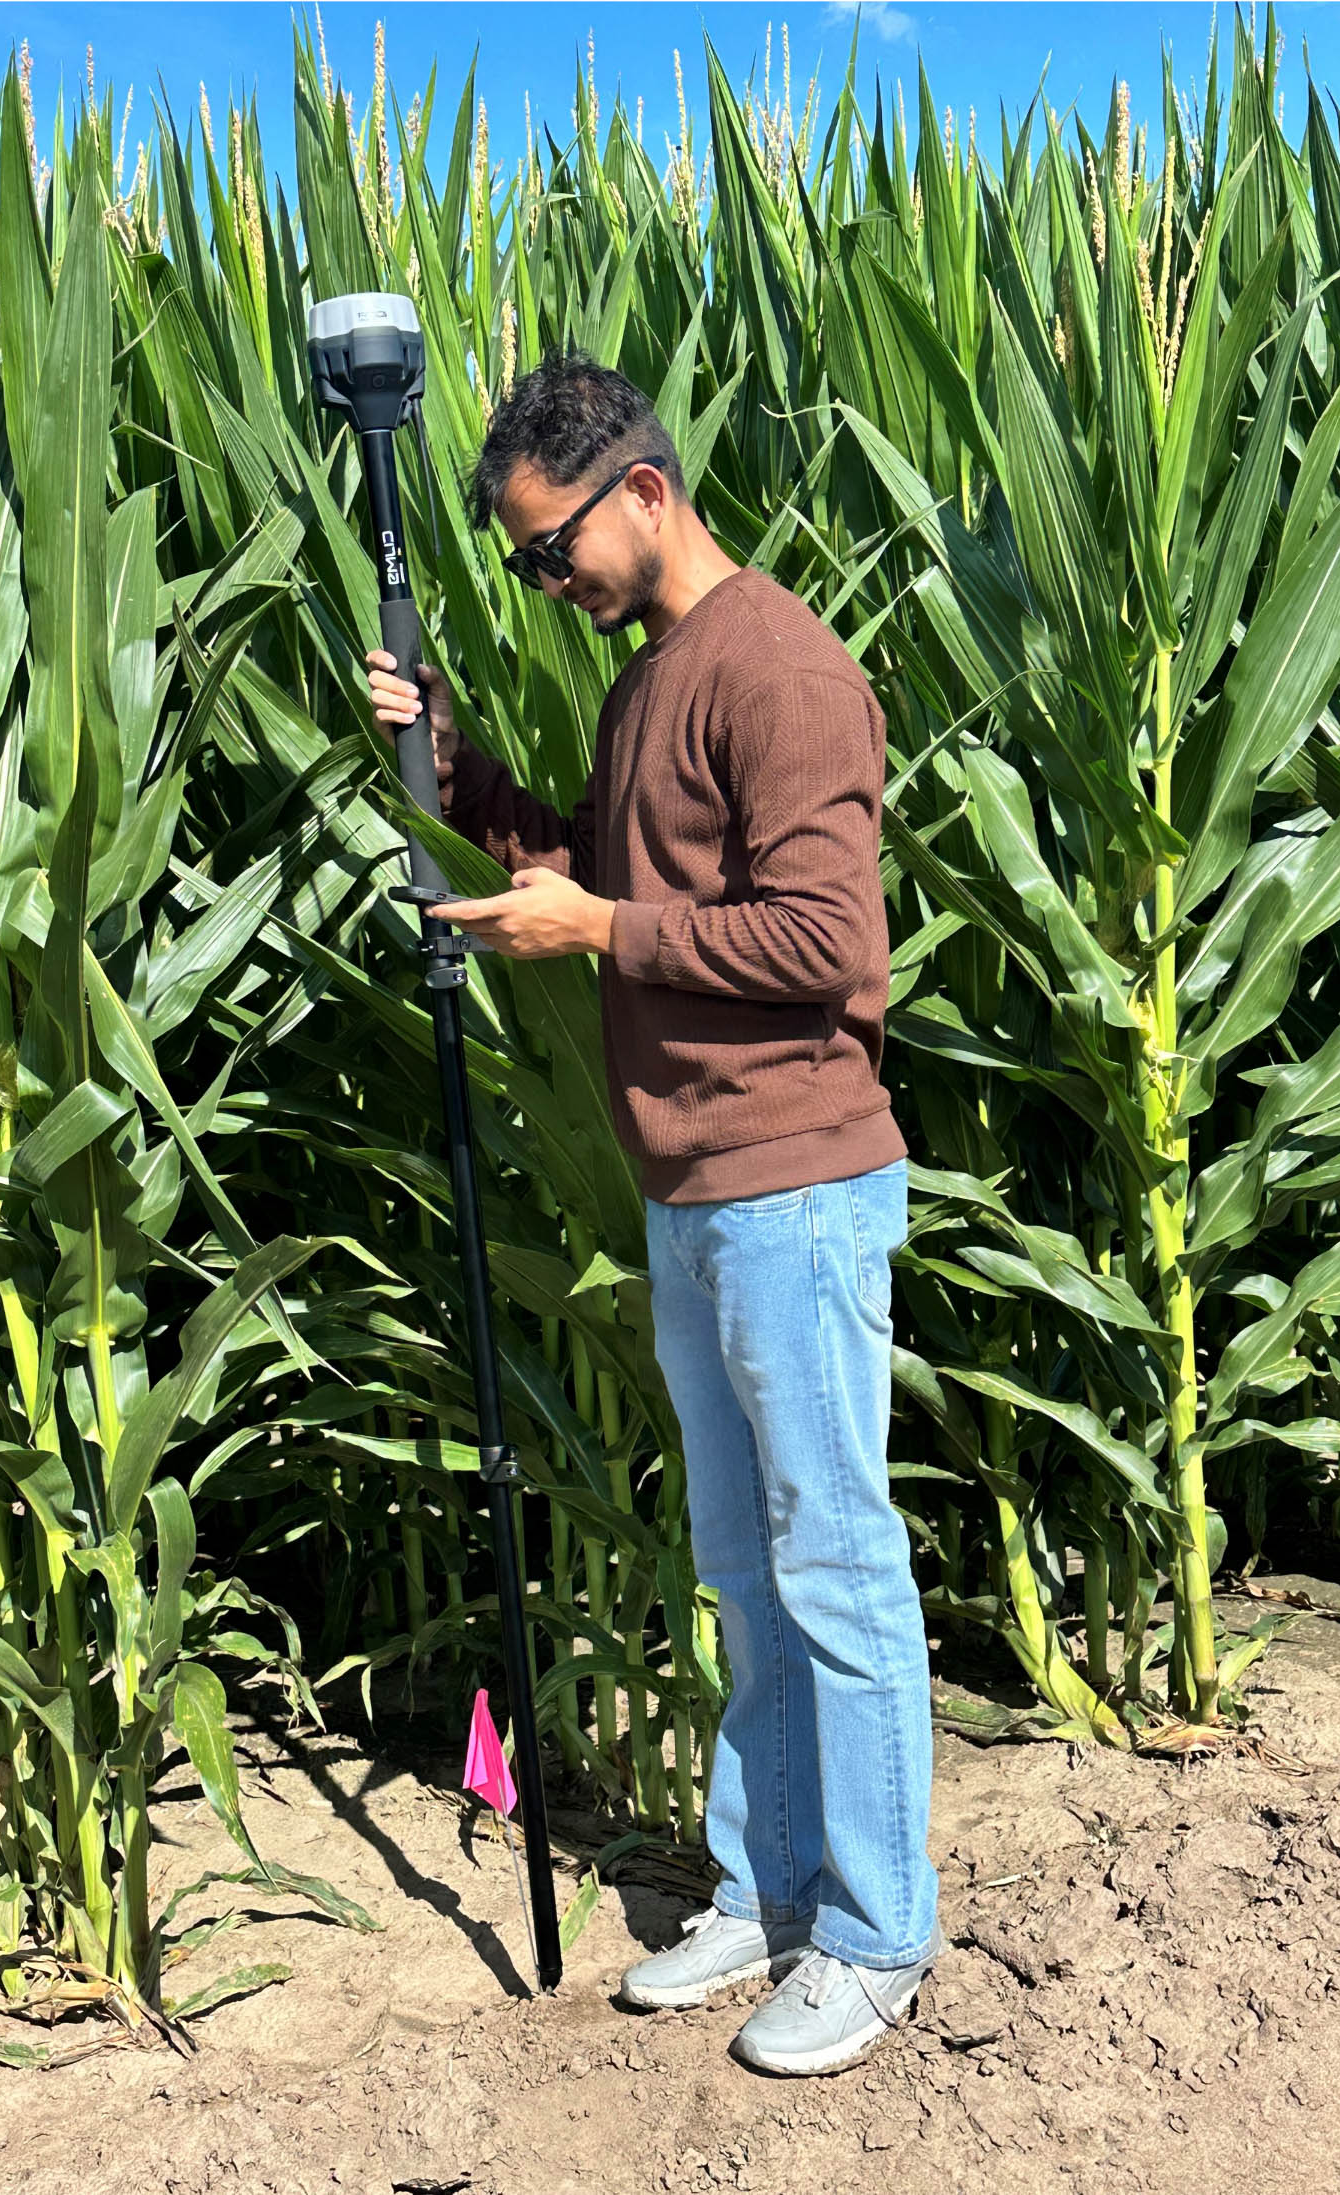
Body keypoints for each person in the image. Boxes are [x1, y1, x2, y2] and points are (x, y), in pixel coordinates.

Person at [364, 350, 942, 2078]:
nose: (548, 583)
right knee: (740, 1572)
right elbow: (615, 868)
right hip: (693, 1189)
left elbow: (826, 945)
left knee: (832, 1561)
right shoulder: (651, 680)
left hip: (798, 1186)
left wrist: (596, 935)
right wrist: (452, 771)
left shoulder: (776, 669)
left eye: (552, 552)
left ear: (642, 490)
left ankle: (874, 1934)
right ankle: (765, 1890)